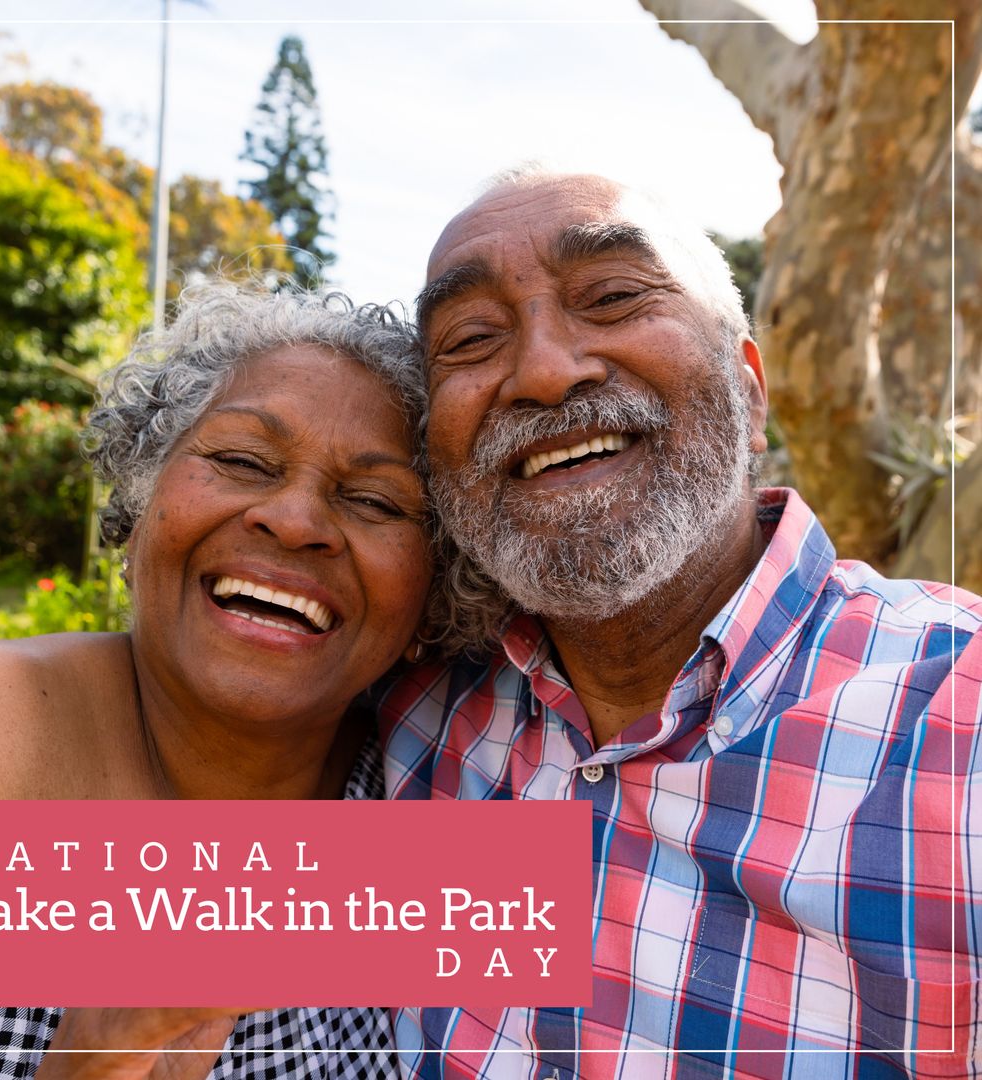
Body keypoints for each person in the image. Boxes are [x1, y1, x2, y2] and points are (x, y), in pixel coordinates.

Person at [382, 169, 982, 1078]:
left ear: (750, 390)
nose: (546, 371)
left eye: (614, 297)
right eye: (470, 339)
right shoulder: (414, 714)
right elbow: (126, 924)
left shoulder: (959, 720)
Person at [0, 281, 434, 1080]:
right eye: (242, 460)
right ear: (140, 499)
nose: (294, 521)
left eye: (373, 501)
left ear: (436, 596)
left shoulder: (424, 790)